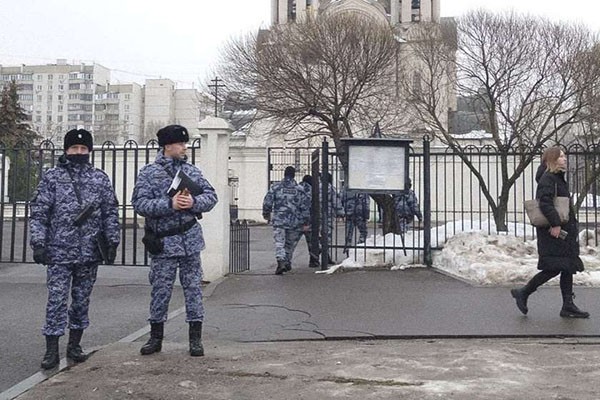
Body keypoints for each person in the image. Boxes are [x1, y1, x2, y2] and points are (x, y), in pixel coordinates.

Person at [29, 128, 120, 370]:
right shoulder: (52, 178)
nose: (78, 152)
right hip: (59, 251)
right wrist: (38, 244)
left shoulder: (100, 179)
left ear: (89, 151)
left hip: (89, 251)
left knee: (81, 300)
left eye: (83, 149)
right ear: (66, 150)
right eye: (74, 149)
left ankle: (75, 345)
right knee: (56, 300)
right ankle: (51, 350)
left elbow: (110, 212)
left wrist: (112, 242)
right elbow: (39, 214)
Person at [131, 124, 218, 357]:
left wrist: (193, 204)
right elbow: (139, 204)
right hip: (164, 242)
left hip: (189, 239)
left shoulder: (192, 172)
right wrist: (169, 204)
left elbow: (211, 197)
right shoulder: (149, 173)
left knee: (193, 290)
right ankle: (155, 337)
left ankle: (195, 339)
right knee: (161, 290)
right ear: (167, 146)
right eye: (181, 144)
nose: (184, 148)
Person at [511, 147, 588, 318]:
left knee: (567, 266)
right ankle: (524, 292)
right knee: (554, 267)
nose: (565, 159)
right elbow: (545, 203)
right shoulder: (549, 179)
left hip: (562, 230)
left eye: (564, 156)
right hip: (554, 231)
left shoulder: (556, 178)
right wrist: (555, 224)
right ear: (551, 160)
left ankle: (568, 305)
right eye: (561, 156)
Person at [262, 166, 310, 274]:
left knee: (279, 242)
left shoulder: (276, 187)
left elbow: (268, 201)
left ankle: (281, 261)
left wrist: (266, 214)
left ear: (284, 174)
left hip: (279, 220)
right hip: (294, 221)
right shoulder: (299, 190)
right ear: (294, 175)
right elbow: (305, 207)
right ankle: (287, 262)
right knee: (289, 243)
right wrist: (305, 221)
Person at [323, 172, 345, 264]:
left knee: (315, 235)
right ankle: (325, 255)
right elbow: (336, 202)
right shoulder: (330, 188)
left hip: (315, 216)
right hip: (327, 215)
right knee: (327, 236)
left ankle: (316, 257)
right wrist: (341, 213)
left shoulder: (315, 187)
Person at [300, 175, 319, 268]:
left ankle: (285, 261)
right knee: (311, 241)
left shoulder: (297, 187)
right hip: (307, 219)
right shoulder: (311, 189)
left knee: (290, 243)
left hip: (293, 219)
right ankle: (313, 260)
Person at [343, 188, 370, 254]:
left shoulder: (346, 189)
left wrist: (343, 212)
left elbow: (342, 200)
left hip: (350, 213)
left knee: (349, 233)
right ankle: (359, 246)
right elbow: (366, 203)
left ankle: (348, 248)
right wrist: (366, 215)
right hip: (360, 213)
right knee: (363, 232)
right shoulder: (363, 189)